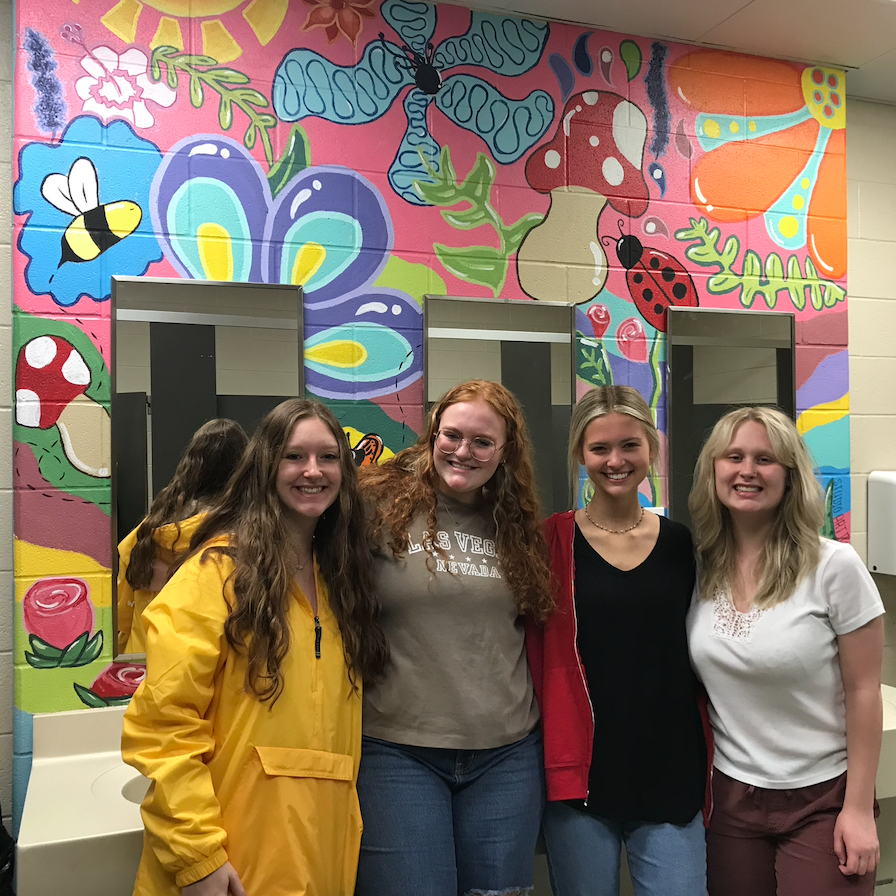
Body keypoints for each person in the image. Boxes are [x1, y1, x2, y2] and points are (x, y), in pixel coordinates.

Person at [122, 399, 388, 896]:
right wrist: (197, 856)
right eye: (294, 456)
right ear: (265, 466)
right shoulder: (217, 573)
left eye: (328, 457)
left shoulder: (343, 585)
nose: (313, 471)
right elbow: (164, 725)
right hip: (229, 859)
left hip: (321, 852)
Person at [354, 379, 554, 896]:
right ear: (433, 434)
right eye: (452, 435)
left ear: (505, 452)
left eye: (482, 442)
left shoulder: (517, 526)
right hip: (397, 753)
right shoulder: (376, 506)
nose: (463, 451)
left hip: (507, 757)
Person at [687, 406, 884, 896]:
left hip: (823, 797)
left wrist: (858, 810)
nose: (747, 471)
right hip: (731, 797)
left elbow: (864, 690)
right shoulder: (697, 566)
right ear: (714, 470)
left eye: (765, 459)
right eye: (734, 457)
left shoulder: (835, 566)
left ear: (790, 477)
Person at [529, 385, 711, 896]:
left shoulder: (682, 545)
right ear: (579, 455)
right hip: (581, 775)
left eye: (630, 445)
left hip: (671, 769)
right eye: (599, 448)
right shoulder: (551, 542)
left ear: (652, 448)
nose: (615, 460)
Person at [117, 418, 249, 654]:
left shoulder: (145, 533)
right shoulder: (248, 537)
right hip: (209, 669)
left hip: (141, 663)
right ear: (244, 469)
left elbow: (122, 617)